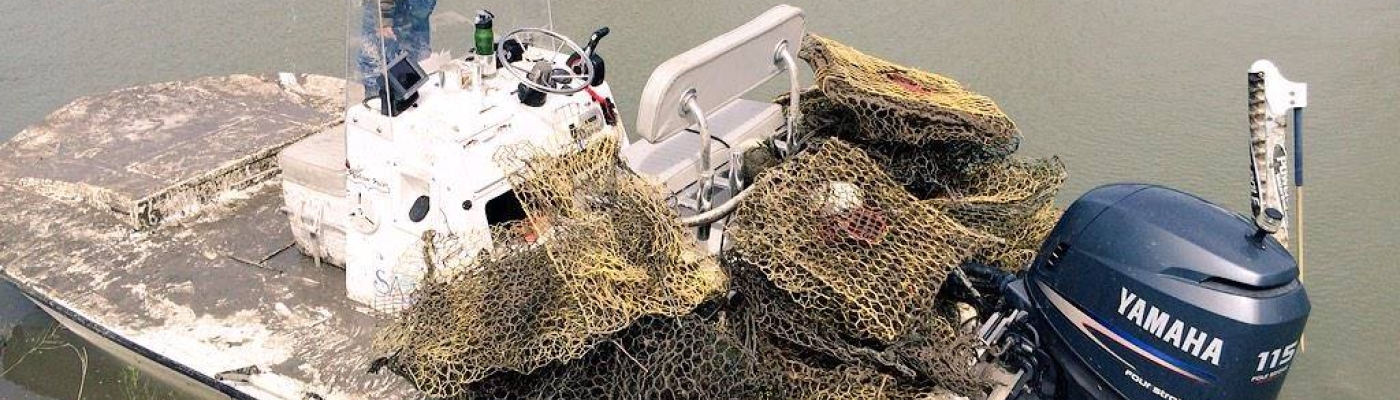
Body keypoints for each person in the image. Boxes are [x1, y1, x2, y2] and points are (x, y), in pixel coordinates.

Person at [359, 0, 437, 96]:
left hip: (415, 12)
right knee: (377, 70)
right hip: (389, 12)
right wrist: (383, 17)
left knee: (415, 70)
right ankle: (378, 102)